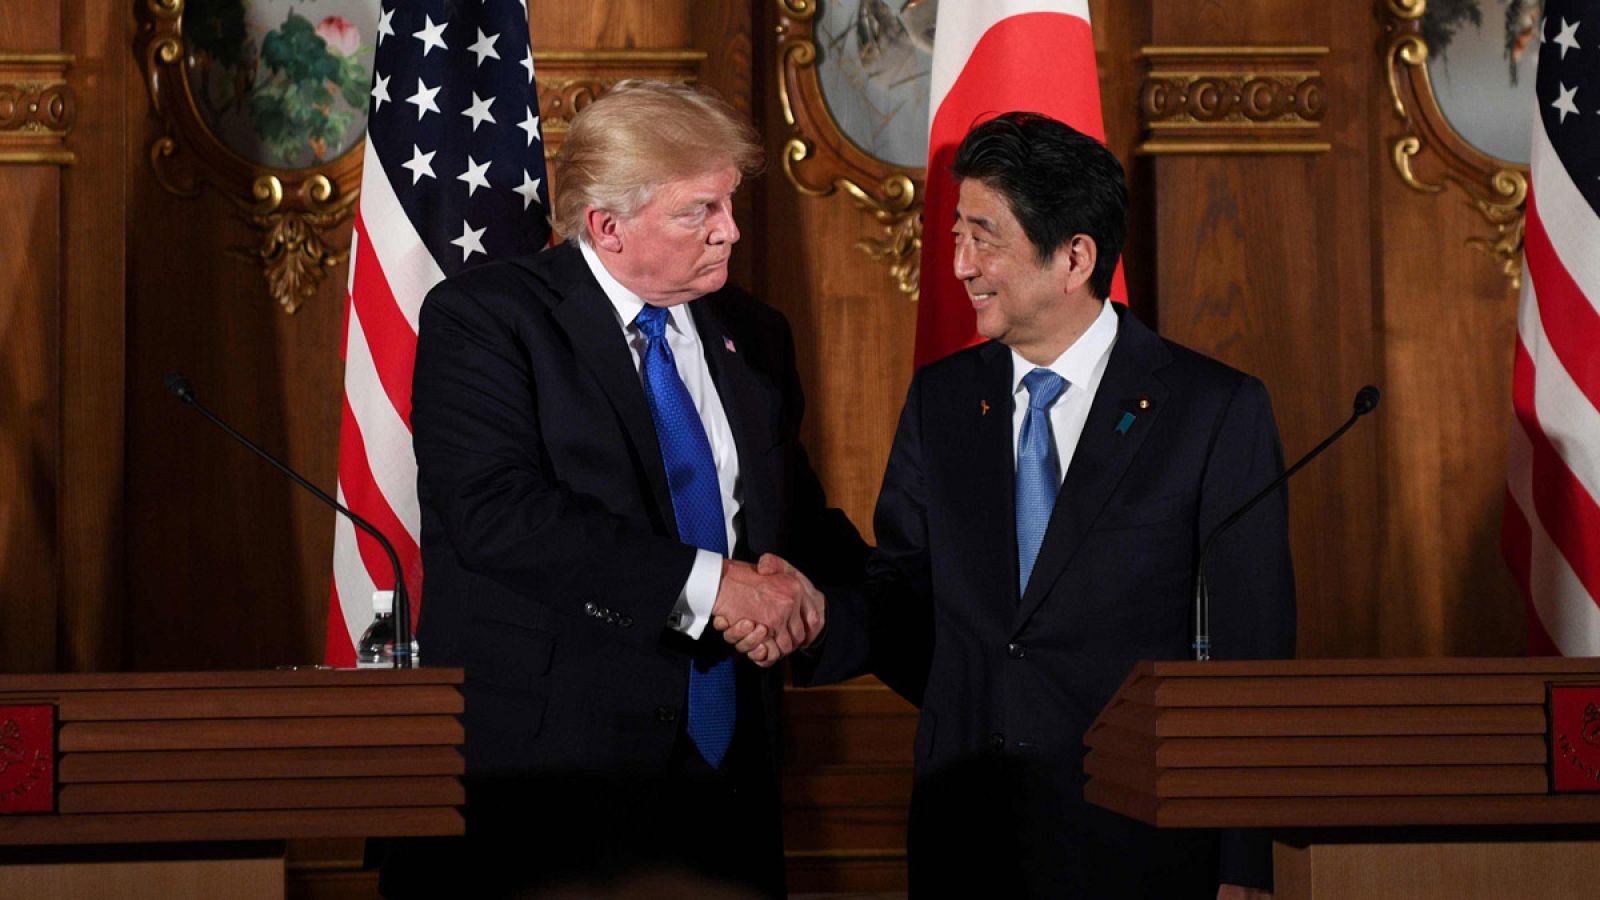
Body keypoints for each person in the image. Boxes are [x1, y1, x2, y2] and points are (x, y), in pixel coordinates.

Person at [770, 112, 1297, 898]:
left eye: (985, 238)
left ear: (1075, 257)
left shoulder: (1212, 411)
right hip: (971, 843)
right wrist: (813, 619)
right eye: (956, 234)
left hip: (1141, 848)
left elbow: (1252, 655)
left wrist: (1247, 867)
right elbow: (909, 602)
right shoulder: (944, 401)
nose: (959, 265)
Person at [393, 80, 866, 898]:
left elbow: (793, 520)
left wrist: (805, 601)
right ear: (607, 228)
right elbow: (498, 516)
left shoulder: (754, 335)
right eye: (700, 212)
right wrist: (716, 586)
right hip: (552, 782)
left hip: (727, 778)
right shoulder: (487, 320)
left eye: (728, 204)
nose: (731, 231)